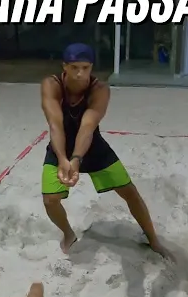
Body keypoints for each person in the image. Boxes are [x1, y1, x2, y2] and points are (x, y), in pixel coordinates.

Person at [40, 43, 171, 259]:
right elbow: (55, 125)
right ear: (64, 66)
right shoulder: (51, 85)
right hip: (59, 145)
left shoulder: (99, 89)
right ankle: (68, 234)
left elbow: (87, 127)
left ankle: (153, 240)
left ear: (91, 67)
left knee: (130, 193)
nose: (80, 73)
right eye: (74, 67)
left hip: (92, 146)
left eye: (85, 68)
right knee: (50, 200)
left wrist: (76, 159)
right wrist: (62, 158)